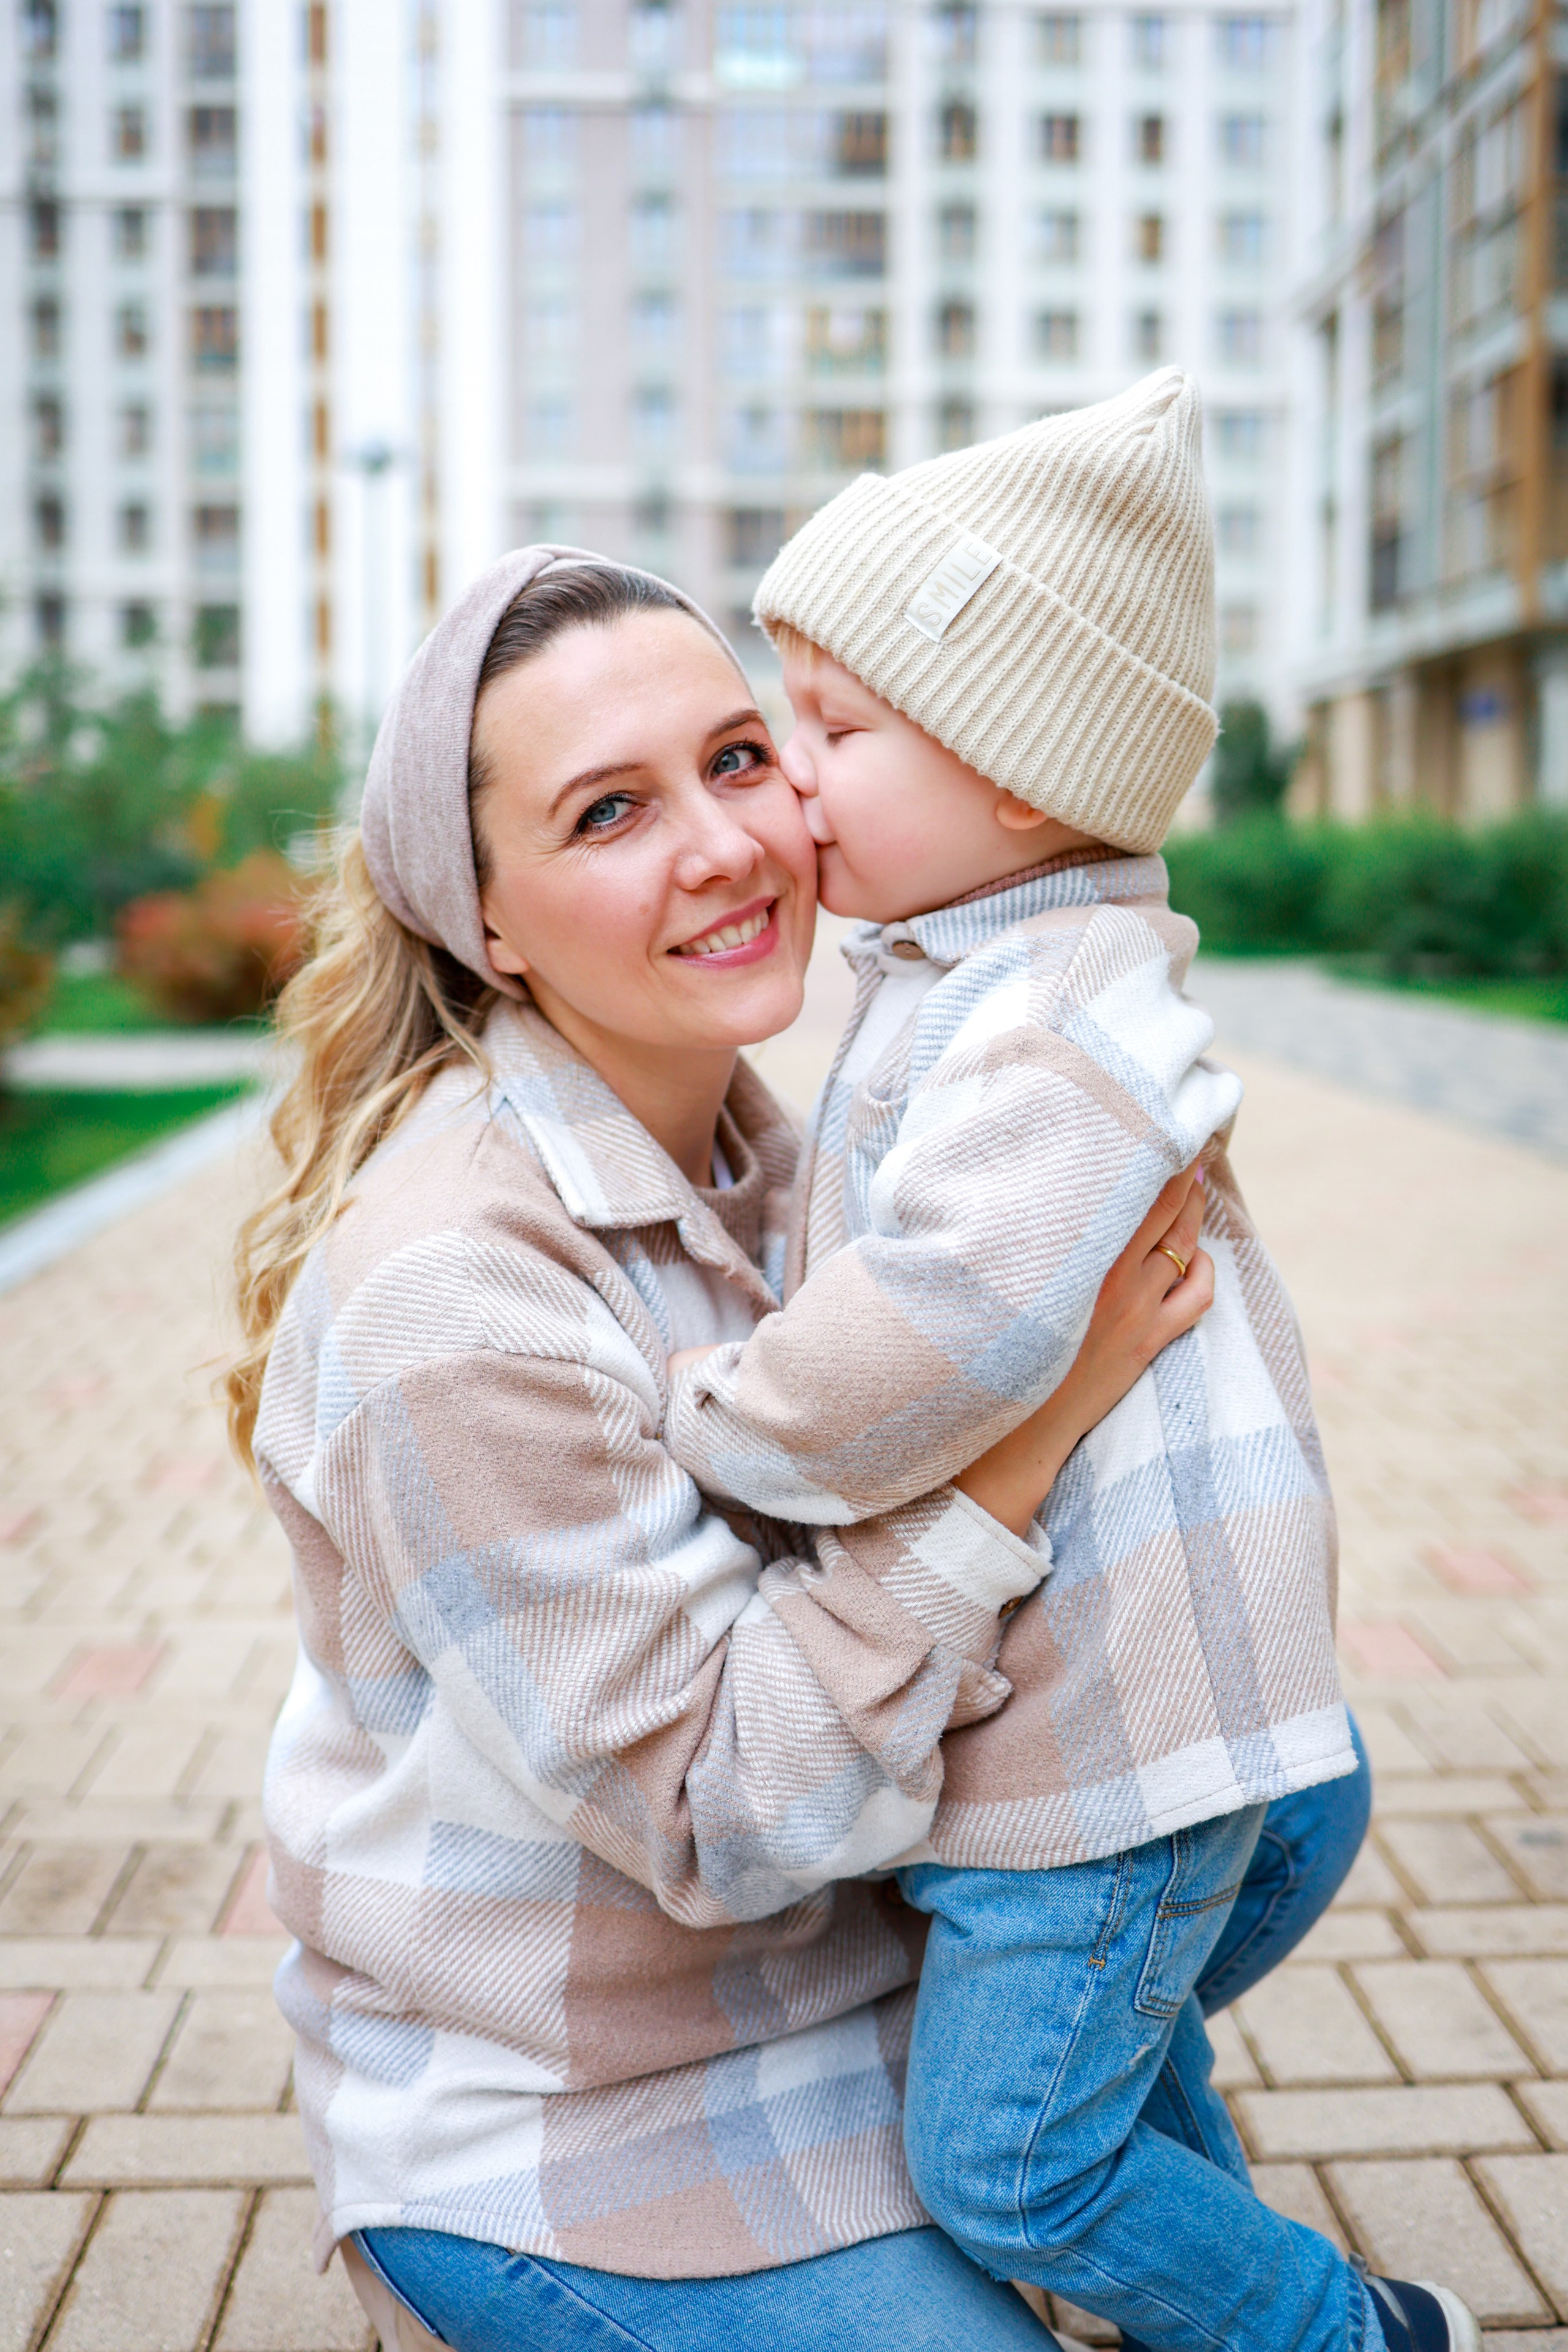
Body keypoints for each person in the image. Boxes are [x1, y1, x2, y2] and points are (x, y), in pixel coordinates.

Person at [230, 548, 1223, 2352]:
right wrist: (1037, 1420)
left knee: (1270, 1802)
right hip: (587, 2128)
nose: (725, 847)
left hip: (845, 1997)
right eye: (611, 811)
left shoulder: (778, 1149)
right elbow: (723, 1817)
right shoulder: (455, 1292)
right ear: (492, 920)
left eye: (740, 758)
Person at [659, 374, 1476, 2352]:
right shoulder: (995, 970)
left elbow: (930, 1330)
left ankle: (1355, 2340)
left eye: (834, 730)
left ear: (1021, 773)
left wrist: (718, 1423)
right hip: (1138, 1714)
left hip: (1112, 1750)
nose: (791, 781)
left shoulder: (1048, 1030)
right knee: (1097, 2092)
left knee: (1015, 2165)